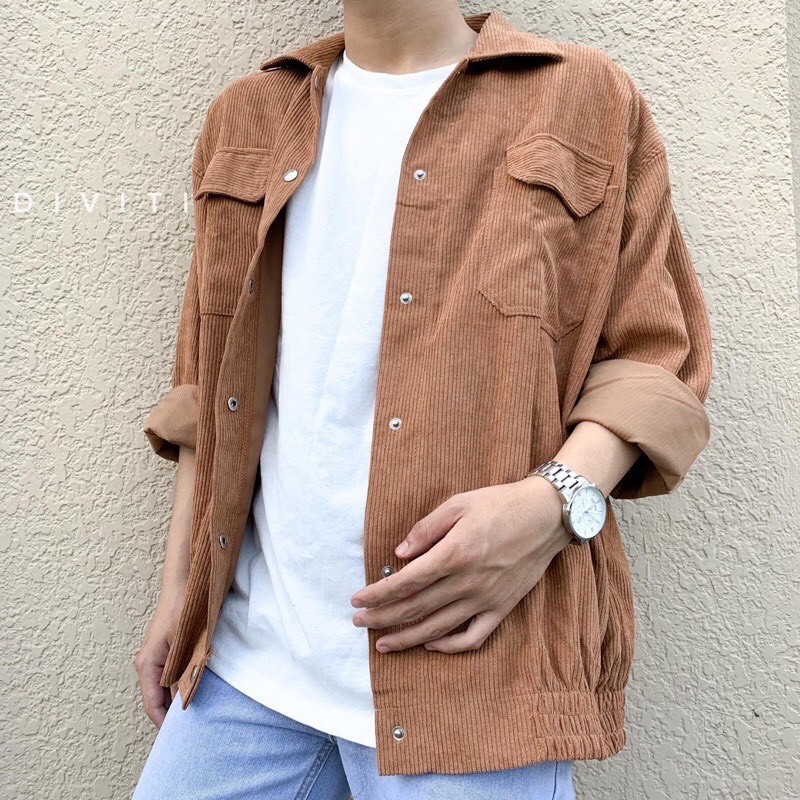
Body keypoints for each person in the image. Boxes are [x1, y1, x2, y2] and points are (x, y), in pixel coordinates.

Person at [132, 2, 713, 798]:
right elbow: (209, 383)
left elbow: (655, 356)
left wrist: (552, 506)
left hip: (477, 676)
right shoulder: (249, 115)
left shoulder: (583, 97)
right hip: (249, 663)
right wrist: (178, 591)